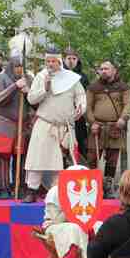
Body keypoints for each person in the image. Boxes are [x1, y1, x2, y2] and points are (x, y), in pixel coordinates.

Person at [26, 48, 86, 199]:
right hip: (45, 124)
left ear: (59, 61)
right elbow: (31, 99)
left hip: (64, 127)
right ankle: (32, 190)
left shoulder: (72, 78)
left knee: (59, 162)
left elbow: (80, 95)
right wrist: (44, 88)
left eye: (53, 61)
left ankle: (56, 192)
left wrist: (81, 107)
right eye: (48, 61)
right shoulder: (41, 76)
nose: (50, 64)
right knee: (37, 159)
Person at [0, 53, 34, 199]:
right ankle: (3, 188)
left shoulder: (29, 79)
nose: (19, 69)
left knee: (20, 156)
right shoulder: (0, 78)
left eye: (21, 66)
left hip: (23, 125)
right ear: (11, 66)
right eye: (16, 66)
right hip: (4, 123)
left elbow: (36, 103)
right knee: (3, 157)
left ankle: (19, 186)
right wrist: (15, 86)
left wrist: (29, 93)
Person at [36, 165, 91, 258]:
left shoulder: (86, 191)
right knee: (73, 228)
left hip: (79, 224)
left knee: (98, 225)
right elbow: (55, 220)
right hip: (54, 225)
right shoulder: (55, 191)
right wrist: (70, 207)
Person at [86, 60, 130, 196]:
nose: (103, 71)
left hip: (115, 128)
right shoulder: (93, 87)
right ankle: (93, 187)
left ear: (114, 70)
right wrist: (92, 121)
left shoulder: (123, 87)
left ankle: (107, 187)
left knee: (112, 160)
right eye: (101, 69)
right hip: (97, 128)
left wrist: (123, 118)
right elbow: (87, 107)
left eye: (106, 68)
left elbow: (128, 105)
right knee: (92, 158)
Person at [64, 47, 91, 161]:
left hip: (78, 118)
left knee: (80, 145)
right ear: (64, 59)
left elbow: (85, 96)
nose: (71, 61)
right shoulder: (59, 74)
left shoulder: (83, 77)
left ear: (77, 60)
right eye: (69, 58)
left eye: (74, 58)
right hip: (62, 116)